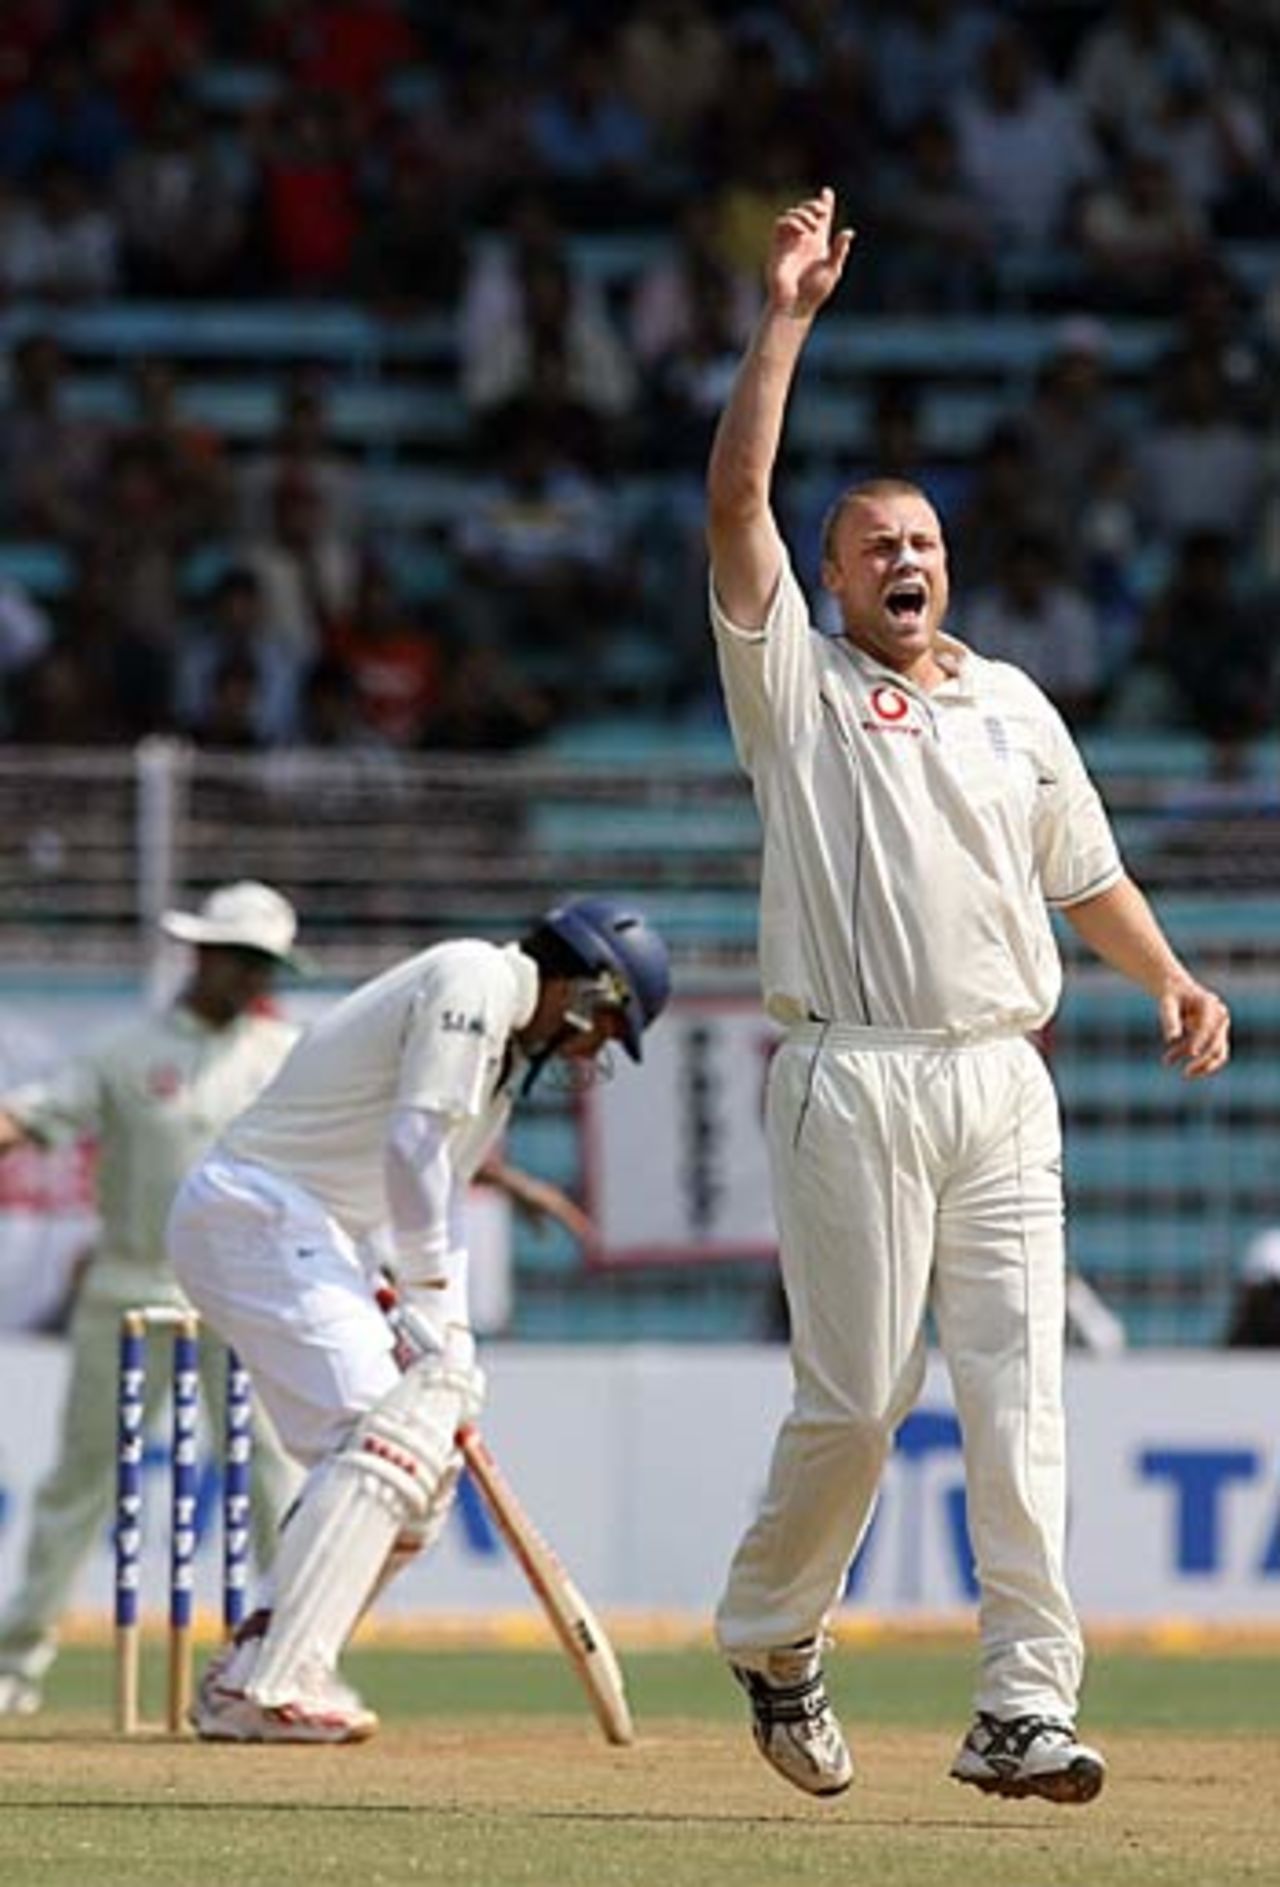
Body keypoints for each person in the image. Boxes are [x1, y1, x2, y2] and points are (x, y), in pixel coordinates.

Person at [704, 187, 1231, 1807]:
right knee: (861, 1400)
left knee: (1020, 1396)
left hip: (1003, 1076)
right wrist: (786, 318)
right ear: (835, 578)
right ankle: (776, 1633)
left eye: (924, 542)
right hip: (851, 1070)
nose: (906, 562)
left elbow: (1083, 874)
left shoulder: (1012, 705)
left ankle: (1022, 1700)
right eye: (877, 547)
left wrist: (1169, 974)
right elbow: (736, 504)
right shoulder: (797, 686)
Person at [165, 894, 670, 1743]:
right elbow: (412, 1149)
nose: (594, 1049)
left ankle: (253, 1666)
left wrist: (441, 1331)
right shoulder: (474, 974)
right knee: (379, 1433)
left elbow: (424, 1189)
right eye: (607, 1026)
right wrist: (437, 1307)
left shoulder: (497, 1073)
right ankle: (276, 1684)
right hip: (258, 1208)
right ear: (585, 989)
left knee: (422, 1484)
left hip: (317, 1235)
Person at [0, 881, 308, 1716]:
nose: (252, 977)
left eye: (265, 964)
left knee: (276, 1480)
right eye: (241, 958)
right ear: (201, 952)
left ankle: (295, 1664)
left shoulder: (286, 1053)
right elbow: (31, 1117)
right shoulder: (126, 1050)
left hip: (244, 1299)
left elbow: (368, 1139)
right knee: (81, 1483)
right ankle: (15, 1665)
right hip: (129, 1289)